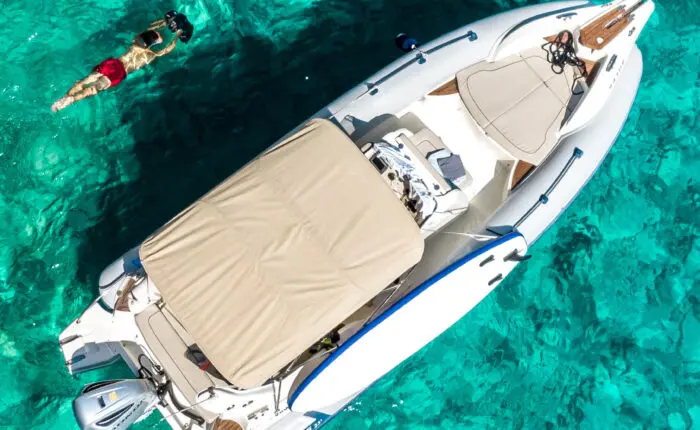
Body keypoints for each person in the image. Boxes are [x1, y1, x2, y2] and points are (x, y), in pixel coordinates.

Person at [51, 23, 182, 112]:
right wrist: (177, 35)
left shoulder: (136, 41)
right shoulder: (150, 55)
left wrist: (162, 23)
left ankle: (65, 97)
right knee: (93, 89)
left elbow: (148, 29)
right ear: (152, 45)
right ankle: (72, 99)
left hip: (113, 63)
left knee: (85, 81)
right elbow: (167, 50)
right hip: (120, 73)